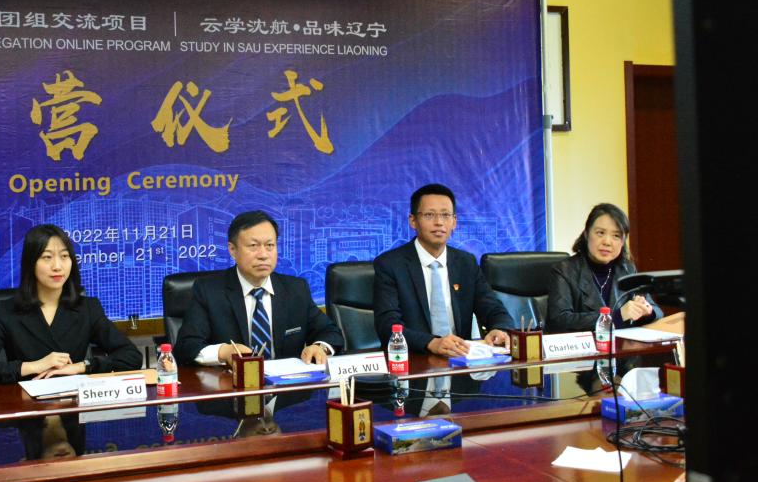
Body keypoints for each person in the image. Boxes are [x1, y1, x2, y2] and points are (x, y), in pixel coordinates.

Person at [0, 224, 141, 384]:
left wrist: (82, 366)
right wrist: (33, 366)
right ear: (31, 263)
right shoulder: (6, 311)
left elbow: (131, 356)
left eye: (64, 256)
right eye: (47, 257)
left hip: (73, 404)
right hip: (25, 406)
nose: (57, 266)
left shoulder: (88, 308)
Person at [174, 211, 344, 366]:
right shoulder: (209, 290)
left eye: (270, 245)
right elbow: (186, 347)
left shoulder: (295, 289)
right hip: (231, 385)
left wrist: (320, 347)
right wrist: (224, 352)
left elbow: (330, 332)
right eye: (253, 246)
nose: (263, 255)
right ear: (232, 250)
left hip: (286, 387)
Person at [373, 184, 515, 356]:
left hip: (460, 360)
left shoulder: (466, 263)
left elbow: (494, 309)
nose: (439, 222)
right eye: (429, 215)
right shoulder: (390, 264)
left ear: (454, 222)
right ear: (413, 221)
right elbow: (387, 325)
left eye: (445, 215)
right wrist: (431, 343)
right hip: (414, 360)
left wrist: (500, 329)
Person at [547, 203, 661, 333]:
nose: (607, 242)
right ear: (586, 234)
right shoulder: (564, 270)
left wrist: (646, 311)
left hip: (620, 344)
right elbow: (560, 320)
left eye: (616, 235)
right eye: (600, 233)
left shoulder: (627, 269)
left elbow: (657, 311)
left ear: (622, 242)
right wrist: (617, 316)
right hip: (583, 345)